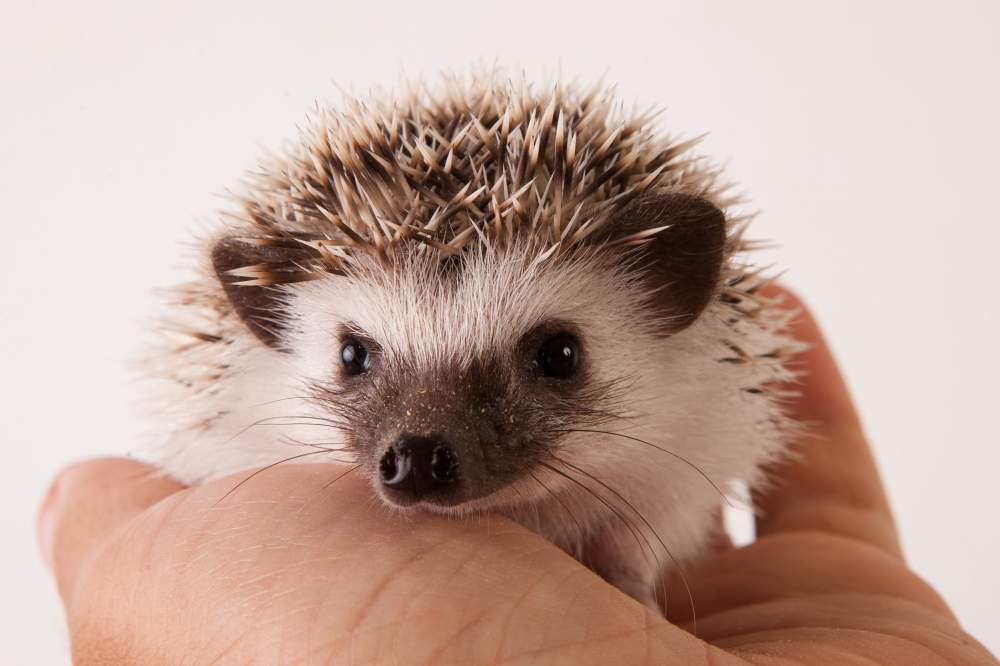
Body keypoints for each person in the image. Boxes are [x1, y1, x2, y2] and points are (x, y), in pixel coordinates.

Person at [37, 290, 998, 664]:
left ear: (670, 308)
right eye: (361, 361)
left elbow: (661, 514)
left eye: (551, 359)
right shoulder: (249, 442)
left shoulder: (693, 422)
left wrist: (633, 564)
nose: (420, 448)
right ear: (271, 320)